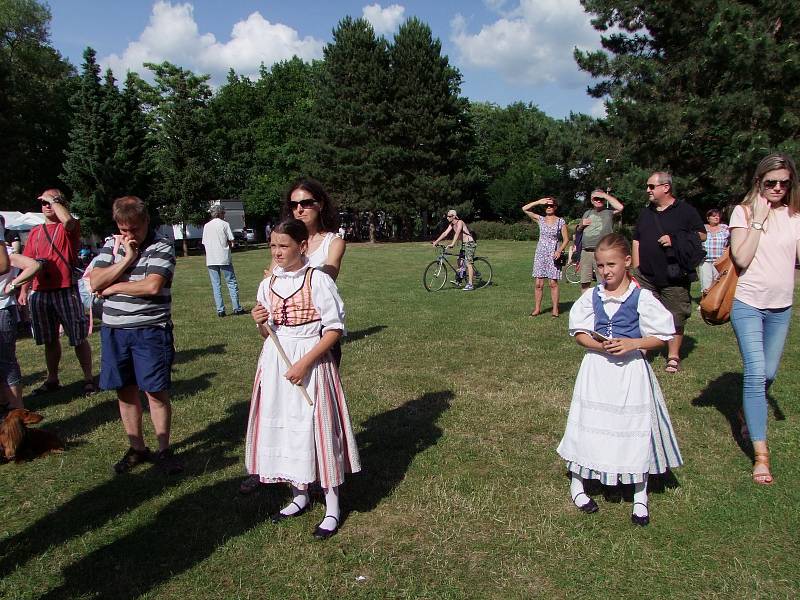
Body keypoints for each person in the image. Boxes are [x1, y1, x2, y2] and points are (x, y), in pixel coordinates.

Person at [244, 218, 360, 539]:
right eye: (273, 246)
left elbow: (334, 329)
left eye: (284, 246)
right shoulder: (268, 284)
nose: (277, 252)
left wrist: (305, 363)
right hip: (277, 363)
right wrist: (259, 322)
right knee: (287, 426)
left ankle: (333, 505)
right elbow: (267, 333)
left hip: (310, 359)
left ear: (302, 246)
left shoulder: (317, 280)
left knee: (316, 427)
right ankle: (299, 493)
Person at [557, 233, 682, 526]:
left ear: (627, 262)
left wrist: (633, 343)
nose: (605, 271)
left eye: (611, 264)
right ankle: (578, 481)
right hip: (598, 371)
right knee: (591, 423)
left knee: (631, 425)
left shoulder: (641, 297)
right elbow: (580, 333)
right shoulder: (592, 296)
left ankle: (640, 492)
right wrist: (599, 345)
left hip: (630, 373)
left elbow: (662, 336)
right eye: (600, 266)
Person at [89, 196, 182, 475]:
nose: (129, 235)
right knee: (125, 390)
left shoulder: (162, 246)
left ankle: (164, 448)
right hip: (115, 330)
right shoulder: (111, 244)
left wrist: (114, 287)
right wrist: (127, 258)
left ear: (146, 221)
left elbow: (153, 286)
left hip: (150, 330)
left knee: (155, 390)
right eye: (124, 229)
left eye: (135, 230)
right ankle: (137, 447)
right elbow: (95, 281)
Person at [729, 153, 800, 485]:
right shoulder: (742, 213)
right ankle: (761, 456)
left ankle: (746, 408)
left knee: (768, 372)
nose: (778, 188)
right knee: (757, 373)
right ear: (758, 182)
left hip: (781, 306)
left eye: (785, 183)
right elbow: (741, 257)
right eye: (771, 182)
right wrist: (758, 220)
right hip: (748, 303)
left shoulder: (794, 215)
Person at [18, 189, 95, 395]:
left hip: (65, 290)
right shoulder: (35, 232)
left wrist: (55, 200)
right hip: (41, 292)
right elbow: (28, 262)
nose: (46, 205)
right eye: (43, 202)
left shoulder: (69, 227)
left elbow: (68, 221)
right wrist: (24, 289)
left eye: (51, 202)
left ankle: (88, 379)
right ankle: (52, 379)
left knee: (78, 337)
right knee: (49, 339)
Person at [632, 172, 706, 373]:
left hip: (674, 275)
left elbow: (702, 235)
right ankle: (643, 351)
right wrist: (637, 267)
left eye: (651, 186)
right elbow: (637, 239)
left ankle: (673, 356)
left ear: (665, 187)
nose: (647, 190)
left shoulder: (685, 211)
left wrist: (675, 239)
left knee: (676, 315)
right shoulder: (646, 212)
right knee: (644, 314)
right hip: (645, 275)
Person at [0, 236, 40, 411]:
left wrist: (13, 285)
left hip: (2, 310)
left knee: (6, 362)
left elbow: (34, 265)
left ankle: (17, 409)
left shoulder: (6, 253)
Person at [522, 197, 570, 316]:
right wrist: (538, 202)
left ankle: (555, 309)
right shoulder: (540, 219)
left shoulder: (561, 221)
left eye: (551, 205)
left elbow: (566, 239)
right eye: (546, 206)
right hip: (540, 254)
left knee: (553, 283)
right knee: (538, 284)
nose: (548, 207)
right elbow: (524, 209)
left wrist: (559, 250)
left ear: (555, 207)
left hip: (553, 254)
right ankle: (537, 309)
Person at [201, 204, 245, 317]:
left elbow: (204, 242)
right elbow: (231, 240)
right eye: (223, 213)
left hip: (211, 259)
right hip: (223, 257)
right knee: (231, 282)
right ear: (220, 213)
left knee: (216, 285)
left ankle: (220, 310)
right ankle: (237, 307)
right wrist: (231, 245)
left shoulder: (206, 226)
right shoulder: (225, 224)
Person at [575, 190, 624, 290]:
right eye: (595, 198)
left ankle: (603, 303)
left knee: (603, 281)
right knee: (585, 282)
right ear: (591, 200)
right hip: (586, 252)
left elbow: (620, 207)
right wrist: (581, 225)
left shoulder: (609, 212)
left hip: (602, 252)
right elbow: (579, 230)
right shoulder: (587, 213)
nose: (598, 200)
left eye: (600, 199)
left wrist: (604, 195)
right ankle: (587, 305)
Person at [431, 209, 477, 291]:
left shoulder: (460, 222)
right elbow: (445, 233)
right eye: (447, 216)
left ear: (453, 216)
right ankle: (459, 279)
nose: (447, 217)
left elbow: (457, 233)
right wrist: (436, 241)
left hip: (469, 243)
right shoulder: (451, 224)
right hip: (463, 244)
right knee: (459, 260)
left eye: (449, 216)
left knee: (468, 262)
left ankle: (470, 284)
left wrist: (452, 244)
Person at [698, 209, 730, 294]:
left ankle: (716, 303)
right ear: (708, 218)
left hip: (720, 260)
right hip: (705, 260)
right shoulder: (702, 228)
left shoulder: (725, 228)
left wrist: (728, 249)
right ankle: (704, 304)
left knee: (718, 282)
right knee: (706, 283)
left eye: (718, 215)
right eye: (714, 216)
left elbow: (733, 240)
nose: (717, 217)